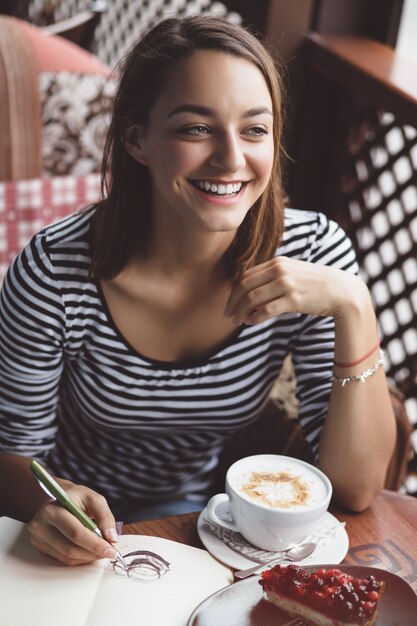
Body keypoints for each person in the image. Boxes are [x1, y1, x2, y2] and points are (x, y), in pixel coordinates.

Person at [0, 15, 396, 566]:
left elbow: (355, 488)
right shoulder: (52, 271)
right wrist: (50, 504)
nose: (231, 158)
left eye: (255, 129)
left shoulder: (314, 252)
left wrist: (356, 304)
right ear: (138, 139)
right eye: (196, 128)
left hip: (201, 530)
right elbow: (15, 456)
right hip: (74, 528)